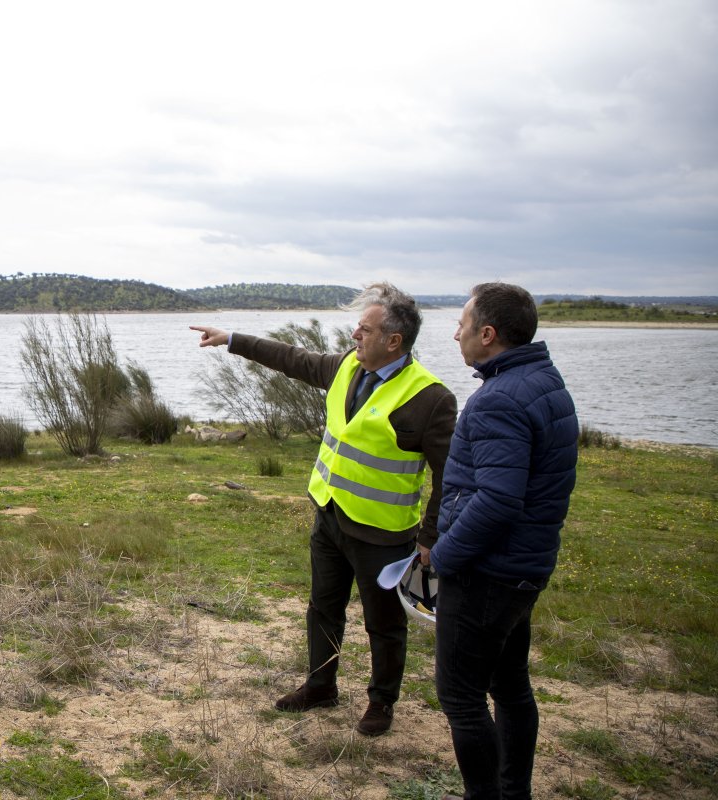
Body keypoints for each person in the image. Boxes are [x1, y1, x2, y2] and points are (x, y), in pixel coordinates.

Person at [191, 282, 456, 736]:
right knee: (323, 608)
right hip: (330, 516)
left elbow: (449, 478)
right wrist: (232, 340)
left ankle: (381, 703)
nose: (354, 335)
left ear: (393, 341)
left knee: (384, 624)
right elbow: (293, 358)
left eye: (364, 329)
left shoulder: (430, 399)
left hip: (383, 535)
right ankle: (320, 686)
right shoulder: (346, 368)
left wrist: (431, 538)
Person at [427, 283, 578, 800]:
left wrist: (444, 556)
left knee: (461, 696)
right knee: (510, 685)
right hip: (523, 568)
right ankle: (514, 792)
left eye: (463, 326)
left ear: (487, 335)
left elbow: (497, 499)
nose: (456, 334)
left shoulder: (499, 399)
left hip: (487, 574)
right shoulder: (543, 379)